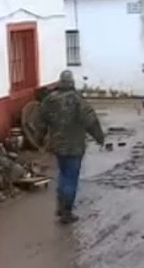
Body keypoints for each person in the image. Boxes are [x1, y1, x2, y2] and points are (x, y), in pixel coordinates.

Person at [38, 69, 105, 223]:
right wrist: (99, 137)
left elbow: (40, 119)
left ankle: (61, 207)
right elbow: (91, 120)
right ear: (72, 83)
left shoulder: (50, 100)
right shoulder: (78, 100)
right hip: (75, 146)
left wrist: (41, 137)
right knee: (71, 177)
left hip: (57, 145)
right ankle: (67, 211)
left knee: (63, 175)